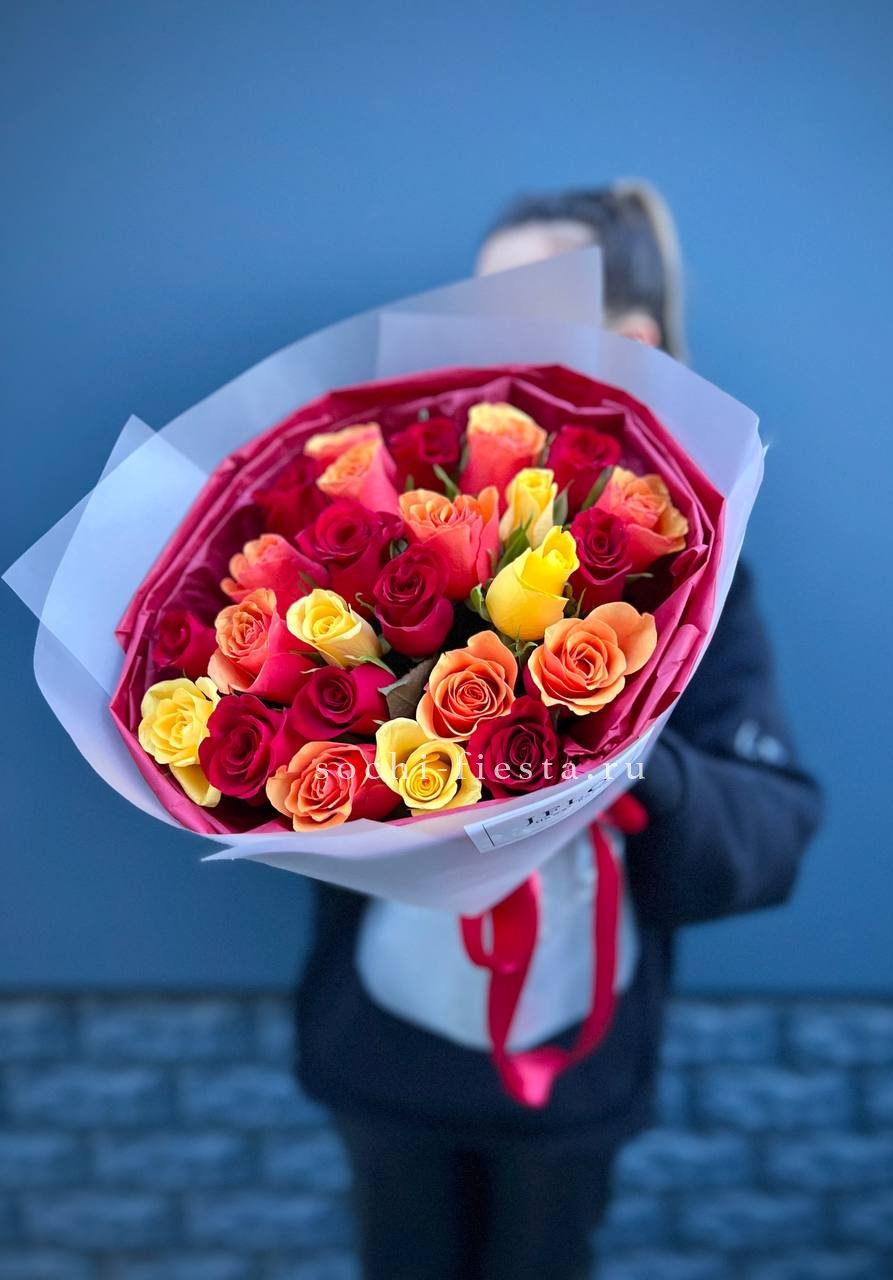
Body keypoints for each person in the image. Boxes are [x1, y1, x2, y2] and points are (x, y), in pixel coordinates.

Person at [295, 182, 822, 1280]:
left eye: (521, 303)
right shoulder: (393, 522)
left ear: (630, 341)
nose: (479, 333)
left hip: (572, 1068)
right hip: (385, 1045)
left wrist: (639, 764)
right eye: (473, 302)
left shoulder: (696, 577)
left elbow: (773, 827)